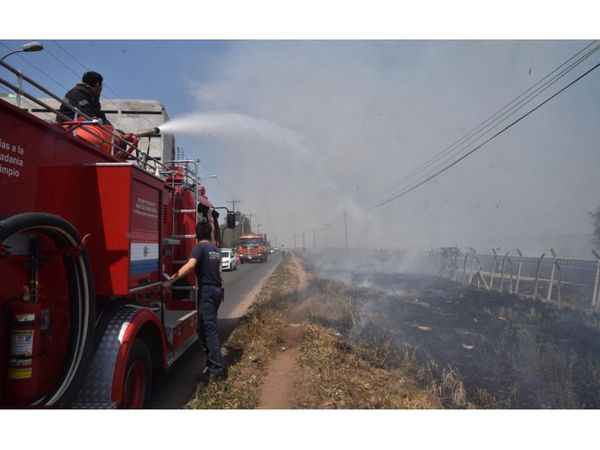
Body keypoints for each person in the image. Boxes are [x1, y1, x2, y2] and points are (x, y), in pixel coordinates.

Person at [162, 221, 227, 384]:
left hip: (207, 291)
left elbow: (190, 266)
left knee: (208, 330)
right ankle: (213, 362)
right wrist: (221, 290)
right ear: (210, 233)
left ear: (197, 235)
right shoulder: (215, 250)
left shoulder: (199, 248)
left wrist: (171, 280)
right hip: (217, 290)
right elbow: (220, 274)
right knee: (202, 328)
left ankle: (217, 370)